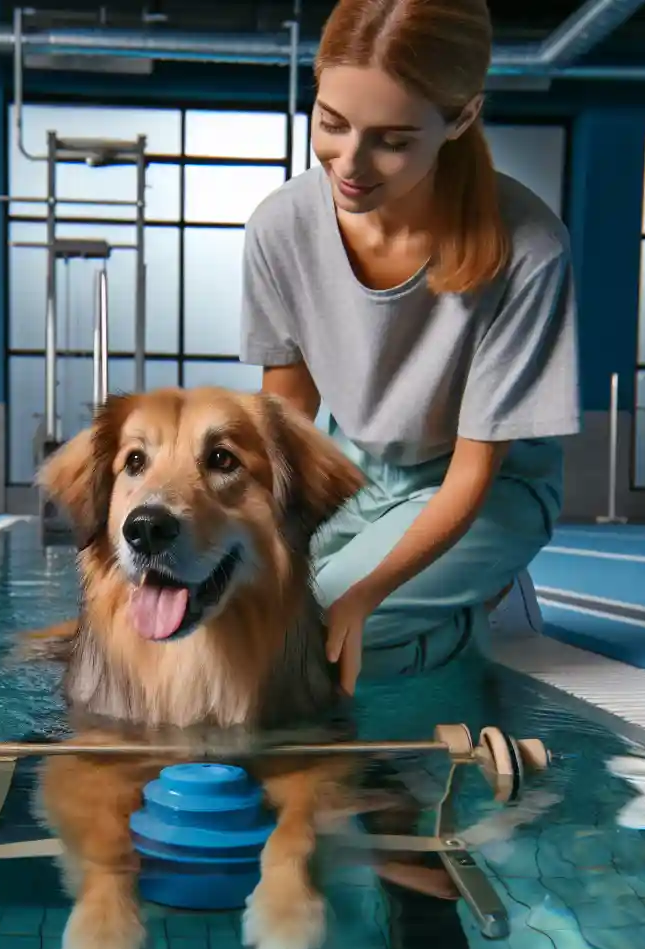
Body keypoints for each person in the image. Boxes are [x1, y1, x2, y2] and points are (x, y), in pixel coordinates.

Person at [240, 0, 581, 696]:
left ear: (460, 118)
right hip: (354, 473)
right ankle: (436, 600)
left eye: (392, 140)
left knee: (310, 652)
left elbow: (472, 476)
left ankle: (475, 615)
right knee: (244, 625)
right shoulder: (281, 226)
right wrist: (251, 553)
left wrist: (362, 600)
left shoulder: (529, 250)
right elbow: (286, 423)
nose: (351, 164)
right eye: (332, 124)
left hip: (482, 492)